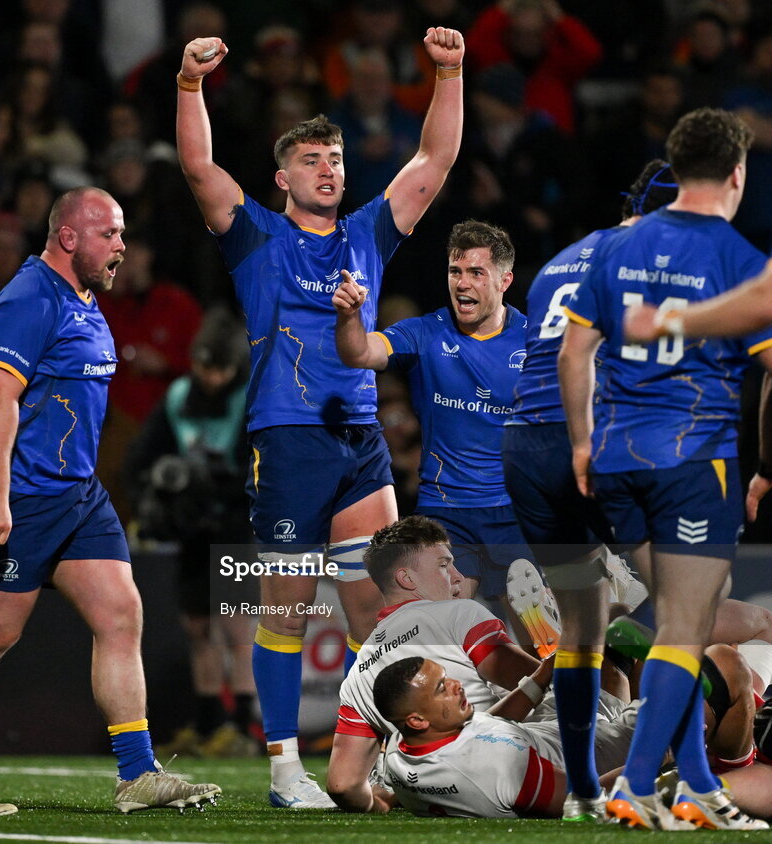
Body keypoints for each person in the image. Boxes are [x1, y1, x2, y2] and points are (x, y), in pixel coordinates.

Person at [176, 26, 465, 808]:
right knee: (287, 611)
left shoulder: (368, 233)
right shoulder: (256, 238)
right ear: (281, 177)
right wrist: (190, 88)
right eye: (311, 160)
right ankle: (281, 771)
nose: (328, 169)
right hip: (290, 438)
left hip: (360, 439)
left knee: (390, 603)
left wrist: (448, 71)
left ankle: (374, 757)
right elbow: (199, 166)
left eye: (335, 159)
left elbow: (433, 163)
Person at [0, 187, 221, 816]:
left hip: (79, 496)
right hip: (25, 497)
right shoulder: (30, 300)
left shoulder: (83, 301)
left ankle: (137, 774)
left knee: (120, 614)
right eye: (109, 234)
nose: (122, 247)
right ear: (68, 238)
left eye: (121, 234)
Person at [558, 107, 772, 830]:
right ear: (738, 173)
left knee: (673, 621)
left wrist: (583, 445)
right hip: (691, 459)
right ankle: (640, 783)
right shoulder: (736, 258)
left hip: (615, 459)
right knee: (687, 625)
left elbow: (571, 354)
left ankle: (698, 785)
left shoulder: (610, 248)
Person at [500, 159, 678, 821]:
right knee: (686, 608)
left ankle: (582, 792)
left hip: (525, 449)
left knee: (580, 627)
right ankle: (677, 780)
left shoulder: (562, 259)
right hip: (592, 439)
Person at [333, 220, 532, 629]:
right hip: (447, 511)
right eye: (455, 272)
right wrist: (350, 318)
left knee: (539, 640)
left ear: (504, 280)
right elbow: (359, 354)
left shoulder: (537, 342)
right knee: (438, 633)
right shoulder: (426, 332)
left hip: (515, 512)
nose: (462, 284)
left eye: (476, 273)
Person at [373, 650, 765, 824]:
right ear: (418, 719)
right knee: (726, 666)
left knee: (609, 635)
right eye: (442, 687)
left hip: (550, 727)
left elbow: (481, 727)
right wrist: (660, 752)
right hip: (600, 749)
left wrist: (544, 673)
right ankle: (741, 764)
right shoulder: (497, 768)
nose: (456, 685)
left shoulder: (400, 752)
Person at [326, 515, 543, 813]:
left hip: (446, 791)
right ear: (407, 579)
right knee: (612, 696)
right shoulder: (459, 613)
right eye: (444, 565)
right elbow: (536, 681)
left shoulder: (358, 673)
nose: (457, 576)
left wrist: (381, 806)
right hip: (520, 766)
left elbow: (344, 785)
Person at [124, 309, 256, 758]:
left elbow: (260, 468)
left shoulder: (248, 399)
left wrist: (221, 478)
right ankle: (207, 725)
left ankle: (243, 727)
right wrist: (155, 493)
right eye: (204, 367)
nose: (211, 377)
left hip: (236, 524)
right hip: (193, 528)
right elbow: (140, 460)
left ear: (235, 368)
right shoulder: (179, 396)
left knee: (237, 630)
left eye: (220, 369)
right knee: (198, 627)